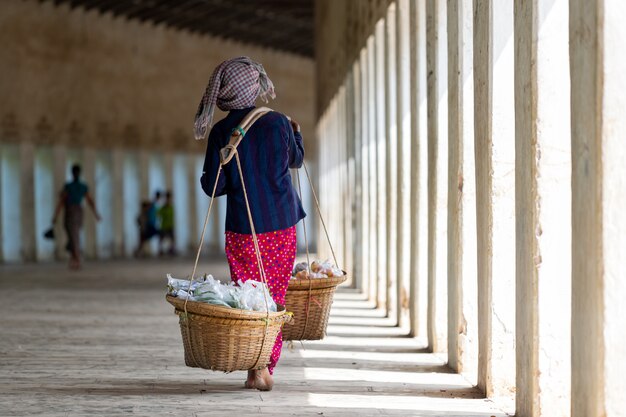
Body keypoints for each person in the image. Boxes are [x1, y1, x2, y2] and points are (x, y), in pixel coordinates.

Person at [196, 56, 305, 391]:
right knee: (273, 294)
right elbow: (296, 160)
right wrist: (296, 134)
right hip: (280, 225)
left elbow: (213, 186)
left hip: (242, 228)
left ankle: (252, 365)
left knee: (249, 297)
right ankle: (264, 365)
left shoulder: (219, 132)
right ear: (254, 87)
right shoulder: (278, 123)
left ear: (225, 95)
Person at [52, 164, 101, 269]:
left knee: (73, 235)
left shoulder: (69, 187)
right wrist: (96, 213)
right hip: (78, 211)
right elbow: (90, 201)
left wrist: (55, 215)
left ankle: (77, 258)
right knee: (73, 235)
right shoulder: (81, 186)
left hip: (71, 211)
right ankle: (74, 257)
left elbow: (61, 201)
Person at [134, 191, 161, 257]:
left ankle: (139, 252)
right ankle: (139, 252)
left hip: (145, 229)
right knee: (142, 242)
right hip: (144, 229)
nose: (147, 208)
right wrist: (141, 226)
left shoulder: (146, 213)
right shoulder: (143, 214)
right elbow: (138, 220)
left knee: (142, 242)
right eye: (146, 207)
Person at [158, 191, 176, 256]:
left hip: (170, 225)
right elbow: (159, 214)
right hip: (164, 226)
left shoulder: (171, 207)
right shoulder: (164, 207)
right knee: (162, 238)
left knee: (172, 238)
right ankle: (161, 250)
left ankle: (171, 249)